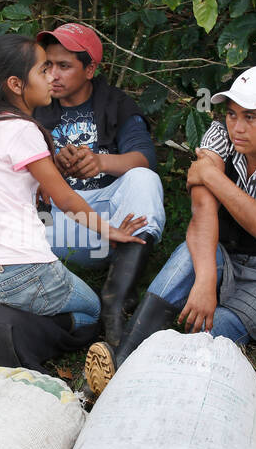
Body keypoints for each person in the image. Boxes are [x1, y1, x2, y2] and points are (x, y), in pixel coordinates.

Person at [84, 65, 256, 395]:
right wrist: (206, 280)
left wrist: (211, 176)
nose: (237, 127)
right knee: (186, 257)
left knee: (205, 334)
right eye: (232, 114)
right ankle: (119, 364)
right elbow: (202, 213)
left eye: (251, 118)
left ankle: (138, 374)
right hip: (220, 253)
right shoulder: (218, 136)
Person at [0, 33, 146, 330]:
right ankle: (21, 327)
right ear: (16, 84)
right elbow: (66, 199)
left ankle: (3, 314)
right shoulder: (23, 129)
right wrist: (110, 232)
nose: (51, 78)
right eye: (43, 70)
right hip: (20, 271)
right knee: (92, 312)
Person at [33, 23, 165, 345]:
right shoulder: (36, 106)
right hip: (64, 226)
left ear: (90, 68)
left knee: (144, 179)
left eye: (64, 66)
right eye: (47, 65)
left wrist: (101, 162)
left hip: (114, 222)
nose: (53, 75)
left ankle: (115, 301)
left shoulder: (116, 104)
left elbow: (144, 157)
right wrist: (53, 171)